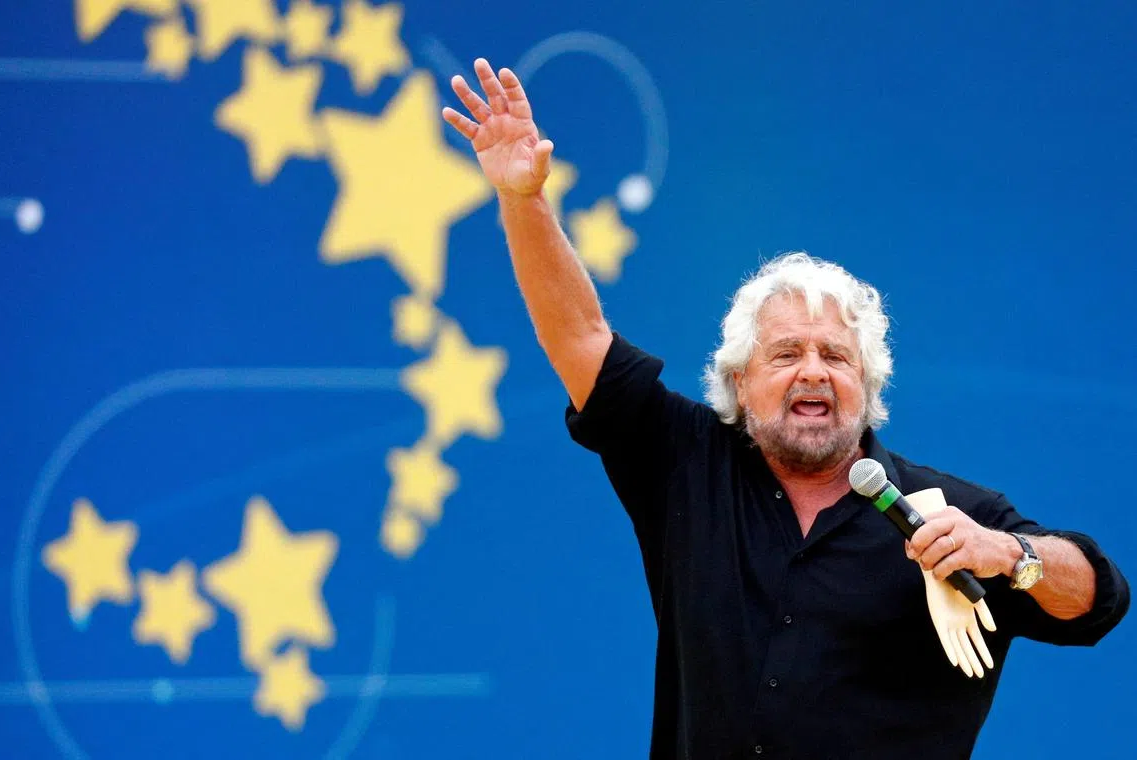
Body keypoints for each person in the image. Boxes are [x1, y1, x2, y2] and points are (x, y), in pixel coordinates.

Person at [442, 59, 1130, 759]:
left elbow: (1099, 596)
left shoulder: (948, 516)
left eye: (836, 357)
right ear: (740, 383)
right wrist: (522, 198)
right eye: (786, 354)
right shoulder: (685, 463)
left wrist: (1010, 556)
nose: (813, 371)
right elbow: (580, 337)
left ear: (869, 386)